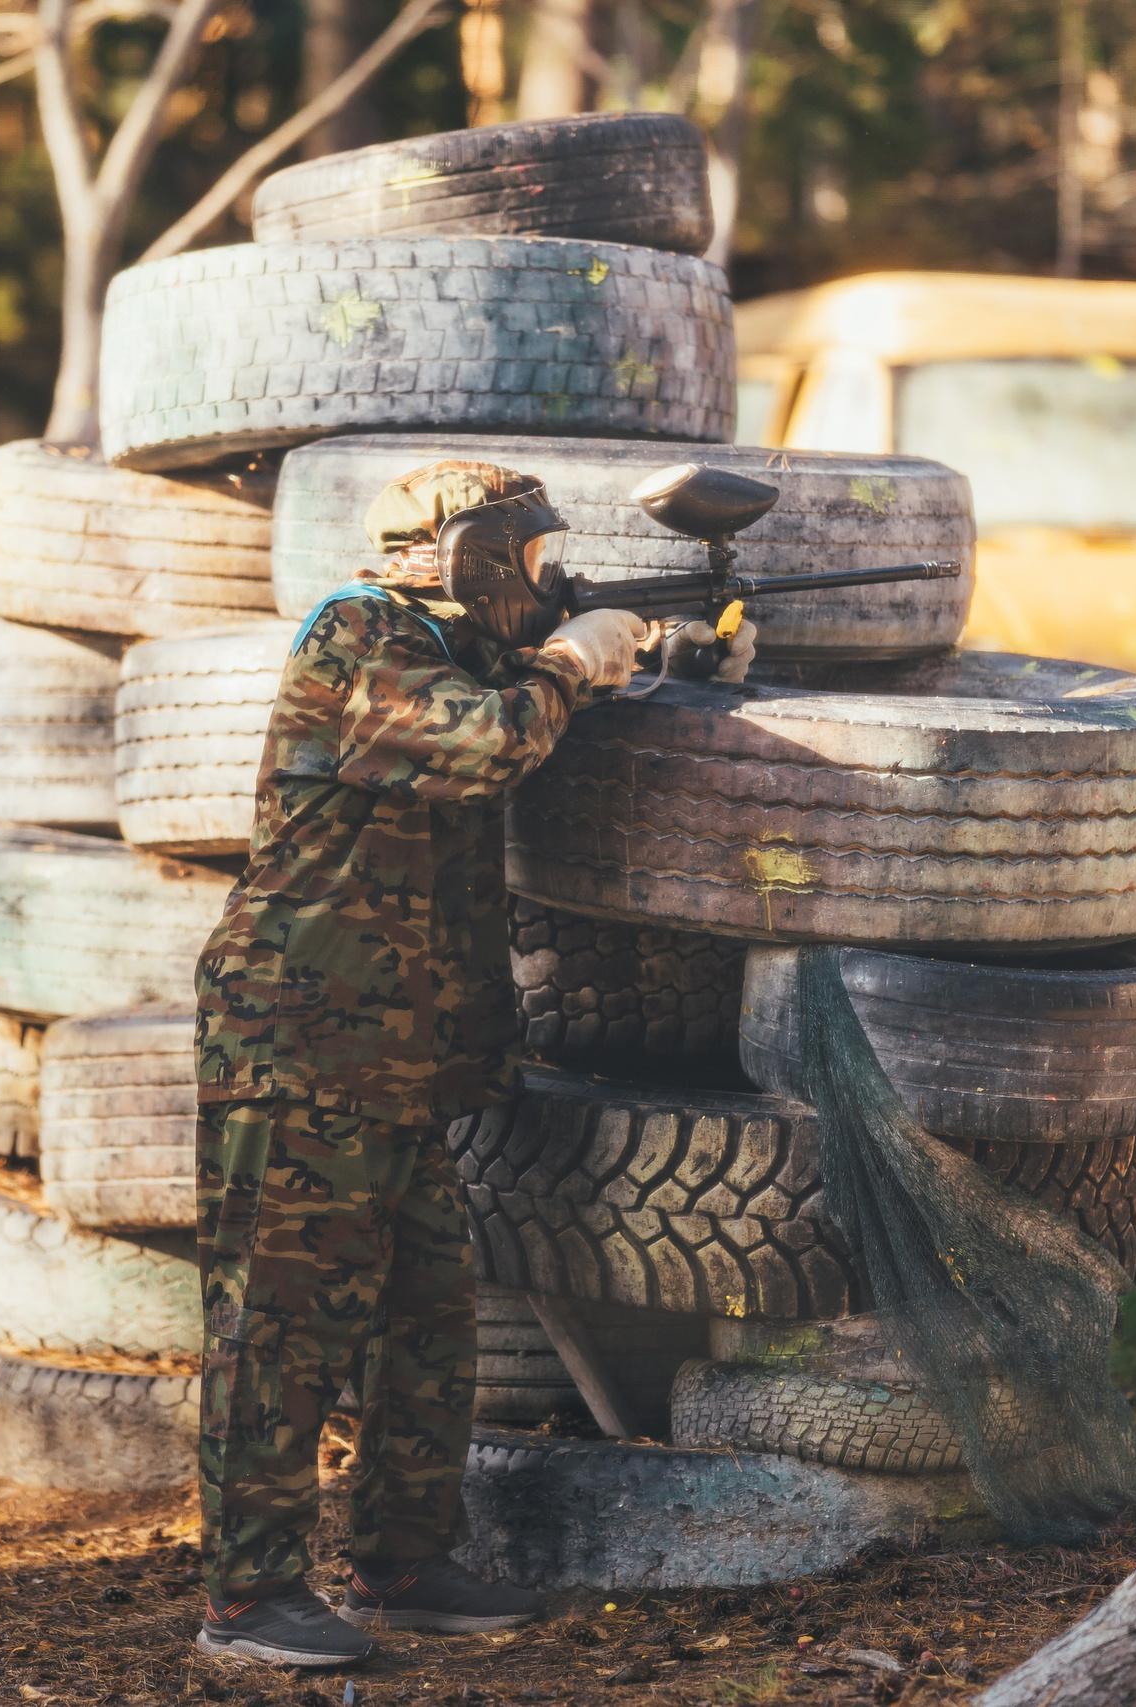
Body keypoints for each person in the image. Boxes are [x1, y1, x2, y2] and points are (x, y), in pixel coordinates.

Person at [187, 461, 652, 1668]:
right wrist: (569, 662)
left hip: (397, 1053)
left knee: (426, 1321)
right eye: (534, 560)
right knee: (280, 1327)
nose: (548, 583)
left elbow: (512, 709)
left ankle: (402, 1561)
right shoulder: (360, 636)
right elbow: (482, 745)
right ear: (475, 558)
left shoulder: (452, 652)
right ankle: (248, 1598)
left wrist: (639, 662)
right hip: (302, 1037)